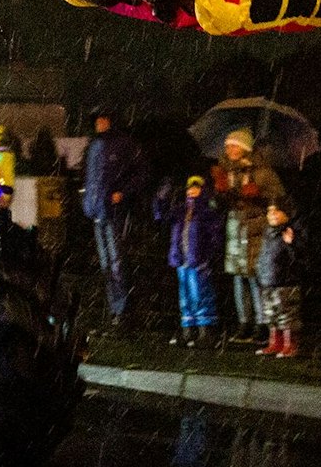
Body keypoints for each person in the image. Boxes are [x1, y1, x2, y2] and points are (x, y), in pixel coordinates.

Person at [82, 108, 149, 329]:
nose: (99, 123)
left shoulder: (123, 145)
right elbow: (91, 177)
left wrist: (123, 193)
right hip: (98, 213)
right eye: (97, 120)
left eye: (103, 119)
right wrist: (89, 203)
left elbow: (141, 173)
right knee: (107, 265)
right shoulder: (94, 146)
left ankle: (122, 311)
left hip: (114, 213)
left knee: (116, 263)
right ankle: (116, 310)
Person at [217, 129, 278, 344]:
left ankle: (262, 323)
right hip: (236, 228)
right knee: (238, 276)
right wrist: (221, 194)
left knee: (254, 275)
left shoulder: (262, 171)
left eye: (234, 145)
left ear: (245, 148)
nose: (229, 149)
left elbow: (277, 198)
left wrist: (258, 197)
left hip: (255, 228)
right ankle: (244, 322)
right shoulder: (226, 171)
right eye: (227, 146)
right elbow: (221, 204)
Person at [160, 175, 223, 347]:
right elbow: (162, 215)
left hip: (198, 261)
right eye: (190, 188)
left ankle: (205, 331)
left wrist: (208, 257)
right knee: (185, 297)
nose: (192, 191)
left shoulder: (207, 211)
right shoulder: (181, 210)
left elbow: (215, 237)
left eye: (196, 188)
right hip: (182, 260)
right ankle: (188, 331)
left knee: (201, 295)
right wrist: (162, 198)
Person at [254, 197, 302, 357]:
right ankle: (275, 343)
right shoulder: (268, 232)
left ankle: (290, 345)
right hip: (268, 281)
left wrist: (291, 243)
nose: (272, 214)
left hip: (285, 282)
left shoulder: (290, 231)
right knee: (271, 314)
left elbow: (299, 257)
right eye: (269, 211)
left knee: (286, 315)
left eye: (276, 211)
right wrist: (260, 273)